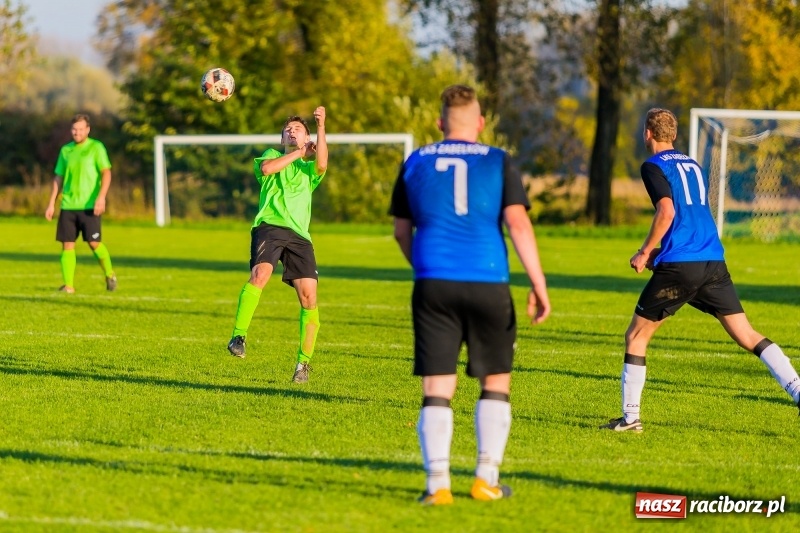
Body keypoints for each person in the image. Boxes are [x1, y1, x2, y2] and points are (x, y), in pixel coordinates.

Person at [390, 85, 551, 505]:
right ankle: (485, 480)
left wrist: (424, 268)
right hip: (488, 281)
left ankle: (437, 486)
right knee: (495, 381)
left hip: (434, 283)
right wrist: (538, 282)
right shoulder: (498, 159)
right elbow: (518, 224)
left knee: (437, 385)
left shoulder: (415, 160)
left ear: (440, 123)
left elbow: (401, 231)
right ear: (480, 123)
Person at [601, 108, 800, 432]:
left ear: (647, 134)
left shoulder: (653, 166)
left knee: (636, 336)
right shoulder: (692, 164)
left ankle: (630, 419)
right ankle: (798, 391)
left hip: (682, 266)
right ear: (674, 135)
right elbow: (689, 216)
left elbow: (667, 212)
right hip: (711, 261)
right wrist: (662, 253)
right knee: (747, 335)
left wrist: (645, 250)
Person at [227, 108, 327, 384]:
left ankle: (303, 364)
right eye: (288, 130)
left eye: (298, 129)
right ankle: (238, 336)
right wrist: (300, 151)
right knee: (261, 274)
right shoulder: (271, 155)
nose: (292, 132)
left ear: (306, 137)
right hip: (269, 226)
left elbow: (321, 164)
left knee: (309, 298)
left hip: (300, 236)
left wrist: (321, 126)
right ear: (283, 138)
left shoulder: (308, 169)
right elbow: (267, 169)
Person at [45, 114, 117, 293]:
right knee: (67, 244)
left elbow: (106, 173)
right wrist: (51, 203)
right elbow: (59, 177)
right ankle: (68, 285)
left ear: (88, 130)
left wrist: (101, 197)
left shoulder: (96, 148)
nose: (77, 132)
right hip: (68, 205)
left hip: (89, 205)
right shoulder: (66, 151)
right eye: (74, 129)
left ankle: (109, 274)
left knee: (94, 243)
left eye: (80, 129)